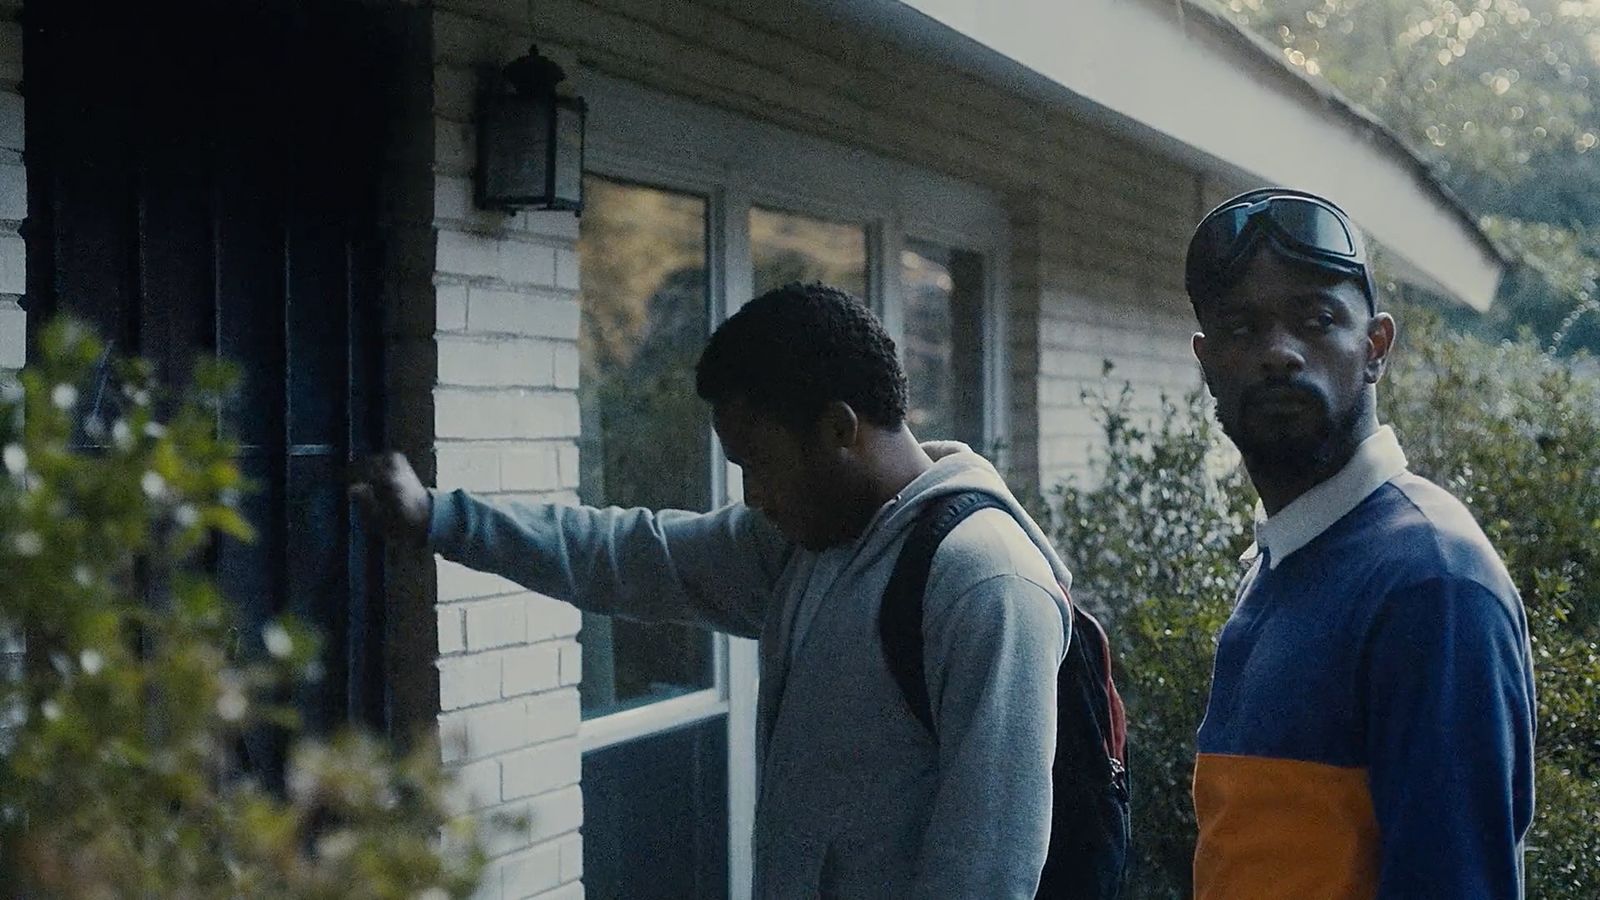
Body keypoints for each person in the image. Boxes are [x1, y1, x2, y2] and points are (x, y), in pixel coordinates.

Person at [352, 281, 1071, 897]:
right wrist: (440, 518)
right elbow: (625, 554)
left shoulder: (984, 581)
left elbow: (987, 873)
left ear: (840, 428)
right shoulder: (803, 545)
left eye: (757, 463)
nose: (752, 495)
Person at [1183, 188, 1536, 899]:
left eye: (1317, 320)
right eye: (1242, 328)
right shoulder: (1282, 559)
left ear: (1375, 347)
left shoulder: (1431, 583)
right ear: (1206, 360)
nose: (1279, 352)